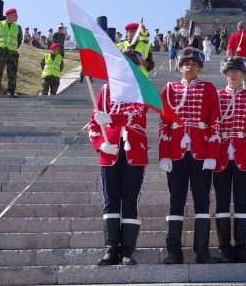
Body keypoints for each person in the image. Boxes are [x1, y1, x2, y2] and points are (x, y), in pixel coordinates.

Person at [159, 47, 222, 264]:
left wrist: (212, 154)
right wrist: (163, 154)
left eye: (194, 64)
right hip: (176, 152)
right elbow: (164, 124)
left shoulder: (208, 88)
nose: (190, 66)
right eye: (186, 63)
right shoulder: (169, 89)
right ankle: (173, 251)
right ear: (179, 66)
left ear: (200, 68)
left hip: (201, 152)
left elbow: (215, 121)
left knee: (202, 201)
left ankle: (202, 251)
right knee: (176, 200)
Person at [87, 50, 150, 266]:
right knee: (110, 201)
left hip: (134, 151)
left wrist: (111, 118)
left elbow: (138, 115)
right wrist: (100, 144)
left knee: (130, 201)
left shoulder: (142, 89)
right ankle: (111, 249)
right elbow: (94, 125)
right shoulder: (105, 91)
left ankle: (127, 251)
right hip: (110, 152)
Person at [213, 57, 246, 263]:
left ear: (243, 74)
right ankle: (224, 249)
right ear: (224, 73)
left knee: (241, 202)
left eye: (237, 71)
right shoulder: (216, 96)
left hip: (243, 152)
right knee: (222, 202)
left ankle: (241, 248)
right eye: (230, 70)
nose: (233, 74)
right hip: (221, 154)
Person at [0, 8, 23, 98]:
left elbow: (20, 39)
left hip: (12, 52)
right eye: (15, 15)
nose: (17, 17)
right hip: (1, 51)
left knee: (12, 73)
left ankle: (11, 92)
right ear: (9, 15)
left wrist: (15, 47)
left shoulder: (18, 27)